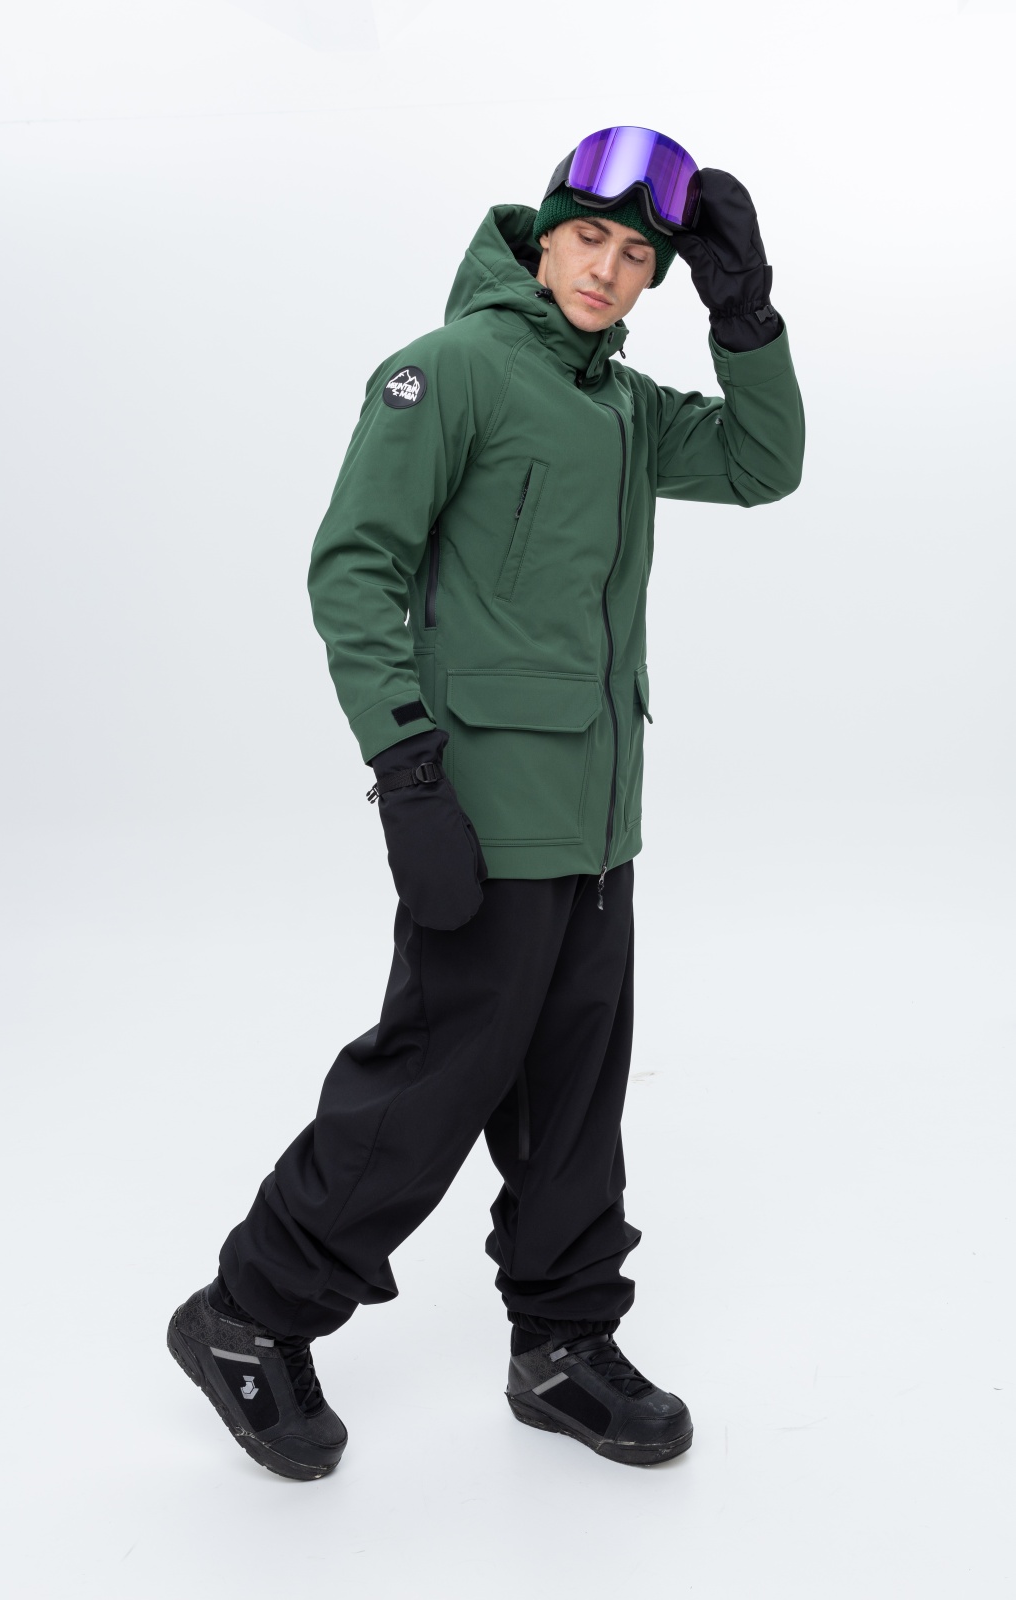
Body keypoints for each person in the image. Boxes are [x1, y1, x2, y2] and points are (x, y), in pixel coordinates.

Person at [167, 126, 805, 1480]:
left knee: (574, 1095)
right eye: (591, 238)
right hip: (487, 814)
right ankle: (248, 1315)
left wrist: (745, 313)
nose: (608, 271)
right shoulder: (449, 370)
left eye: (638, 256)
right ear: (543, 232)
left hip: (599, 821)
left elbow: (764, 462)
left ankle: (564, 1343)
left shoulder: (627, 408)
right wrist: (406, 772)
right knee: (428, 1089)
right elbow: (353, 568)